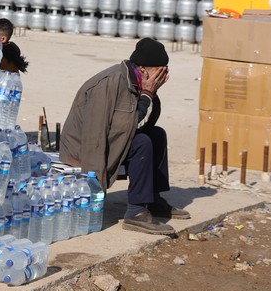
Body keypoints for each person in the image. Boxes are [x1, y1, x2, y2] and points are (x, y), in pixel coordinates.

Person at [60, 37, 190, 235]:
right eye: (160, 72)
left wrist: (150, 94)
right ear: (144, 70)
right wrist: (94, 187)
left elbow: (144, 121)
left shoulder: (138, 80)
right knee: (142, 142)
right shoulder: (109, 83)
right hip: (83, 151)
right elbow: (95, 136)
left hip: (112, 138)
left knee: (157, 135)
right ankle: (136, 211)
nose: (164, 76)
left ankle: (152, 199)